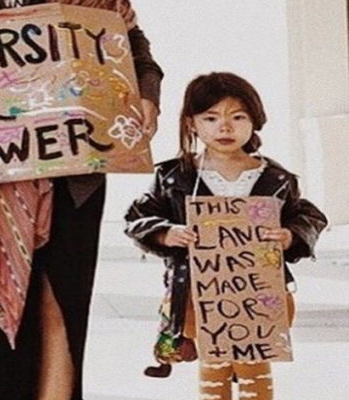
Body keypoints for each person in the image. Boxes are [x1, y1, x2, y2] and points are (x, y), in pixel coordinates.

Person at [0, 1, 163, 399]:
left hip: (72, 177)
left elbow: (135, 53)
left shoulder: (99, 3)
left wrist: (146, 95)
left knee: (58, 313)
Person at [124, 72, 328, 399]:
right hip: (197, 295)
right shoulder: (174, 177)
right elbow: (137, 218)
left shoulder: (275, 178)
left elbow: (309, 216)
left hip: (260, 295)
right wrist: (166, 233)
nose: (225, 127)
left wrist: (290, 236)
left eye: (238, 117)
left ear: (254, 121)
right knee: (213, 366)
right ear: (191, 124)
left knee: (254, 366)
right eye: (211, 118)